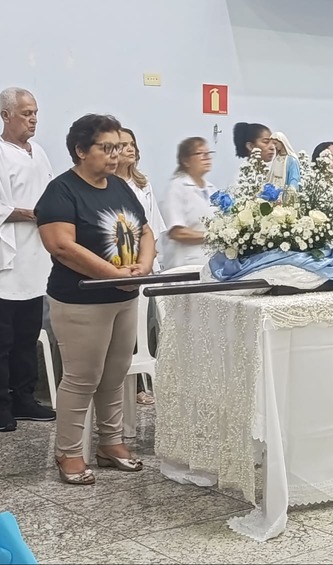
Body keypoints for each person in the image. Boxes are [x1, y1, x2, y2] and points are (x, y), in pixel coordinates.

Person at [35, 113, 154, 484]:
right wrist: (113, 275)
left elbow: (145, 231)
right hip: (80, 300)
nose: (115, 155)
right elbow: (61, 246)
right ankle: (69, 452)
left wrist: (143, 266)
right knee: (82, 377)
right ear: (81, 150)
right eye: (106, 148)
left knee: (115, 374)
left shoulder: (119, 187)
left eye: (118, 148)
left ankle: (110, 443)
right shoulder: (61, 191)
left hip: (123, 297)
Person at [0, 87, 56, 432]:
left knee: (28, 336)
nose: (33, 120)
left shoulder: (38, 153)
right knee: (0, 340)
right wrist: (30, 213)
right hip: (4, 261)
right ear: (5, 115)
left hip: (35, 259)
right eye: (26, 113)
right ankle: (0, 404)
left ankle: (25, 398)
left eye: (35, 113)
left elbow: (51, 194)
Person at [115, 127, 165, 404]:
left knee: (141, 330)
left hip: (144, 264)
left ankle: (139, 386)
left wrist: (147, 260)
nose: (130, 149)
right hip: (118, 265)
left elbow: (153, 228)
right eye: (124, 145)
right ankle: (122, 387)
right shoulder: (107, 185)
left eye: (132, 144)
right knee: (122, 330)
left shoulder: (143, 185)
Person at [160, 137, 216, 270]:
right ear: (185, 161)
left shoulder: (212, 189)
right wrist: (212, 236)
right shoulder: (177, 187)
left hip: (210, 263)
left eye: (208, 153)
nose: (206, 157)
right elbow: (177, 232)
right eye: (200, 153)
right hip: (185, 265)